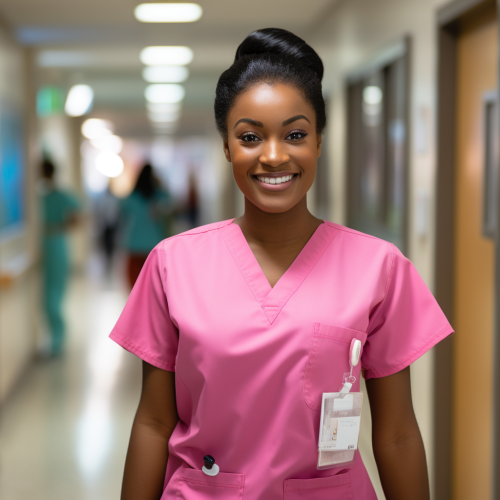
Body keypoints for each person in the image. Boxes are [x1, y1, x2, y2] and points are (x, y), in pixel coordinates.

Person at [110, 29, 453, 500]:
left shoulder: (379, 268)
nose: (273, 155)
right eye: (250, 136)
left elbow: (396, 434)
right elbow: (152, 421)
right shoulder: (173, 264)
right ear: (228, 147)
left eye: (295, 134)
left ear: (318, 143)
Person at [39, 159, 81, 355]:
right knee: (48, 294)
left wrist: (63, 226)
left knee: (53, 294)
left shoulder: (58, 194)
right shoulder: (38, 194)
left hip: (54, 242)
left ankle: (57, 339)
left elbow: (78, 213)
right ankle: (54, 337)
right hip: (47, 242)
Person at [119, 164, 171, 289]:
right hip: (154, 245)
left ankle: (138, 308)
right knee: (153, 287)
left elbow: (122, 212)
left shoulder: (132, 197)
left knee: (135, 287)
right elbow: (172, 208)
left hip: (135, 244)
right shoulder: (160, 196)